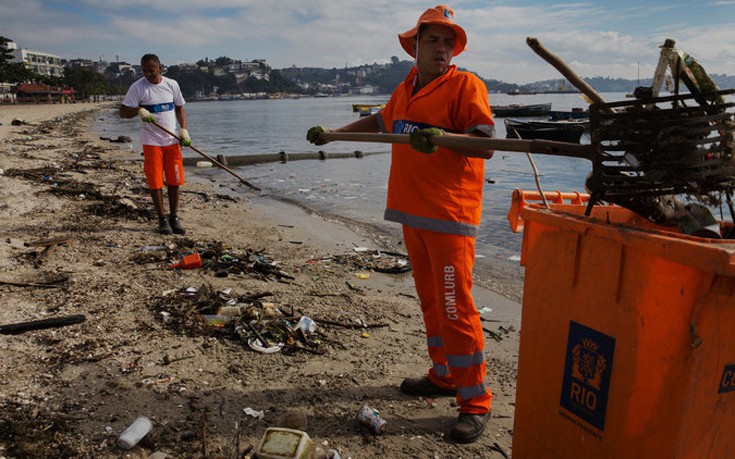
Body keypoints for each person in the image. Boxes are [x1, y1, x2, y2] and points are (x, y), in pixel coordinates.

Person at [306, 5, 495, 444]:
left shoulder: (466, 85)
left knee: (455, 306)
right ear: (415, 46)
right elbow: (379, 122)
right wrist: (335, 134)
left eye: (448, 42)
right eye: (433, 40)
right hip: (414, 213)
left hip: (450, 216)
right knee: (431, 301)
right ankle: (443, 375)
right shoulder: (406, 87)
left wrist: (444, 139)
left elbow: (485, 144)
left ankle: (475, 402)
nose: (442, 49)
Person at [120, 53, 191, 235]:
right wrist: (138, 110)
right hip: (151, 142)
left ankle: (174, 217)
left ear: (160, 68)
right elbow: (122, 112)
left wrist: (184, 130)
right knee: (155, 181)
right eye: (144, 71)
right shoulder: (138, 87)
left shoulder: (171, 84)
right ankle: (162, 219)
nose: (148, 74)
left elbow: (180, 107)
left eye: (151, 70)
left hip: (171, 140)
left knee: (174, 180)